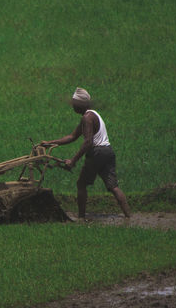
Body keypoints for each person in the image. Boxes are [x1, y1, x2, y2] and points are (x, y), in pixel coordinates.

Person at [41, 87, 131, 219]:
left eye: (74, 103)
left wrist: (73, 160)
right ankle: (129, 217)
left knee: (81, 184)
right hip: (108, 151)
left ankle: (81, 217)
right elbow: (72, 136)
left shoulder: (87, 118)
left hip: (97, 152)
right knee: (113, 187)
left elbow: (88, 142)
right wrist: (50, 142)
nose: (72, 106)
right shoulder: (92, 115)